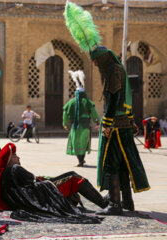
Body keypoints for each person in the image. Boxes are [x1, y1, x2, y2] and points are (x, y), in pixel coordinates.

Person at [64, 2, 150, 216]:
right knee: (122, 164)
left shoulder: (112, 72)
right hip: (124, 125)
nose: (94, 66)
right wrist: (130, 120)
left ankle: (115, 204)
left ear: (101, 60)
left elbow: (112, 100)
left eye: (95, 62)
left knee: (111, 164)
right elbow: (124, 98)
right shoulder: (118, 69)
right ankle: (126, 202)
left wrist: (107, 125)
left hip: (115, 127)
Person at [0, 143, 103, 224]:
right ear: (8, 159)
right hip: (44, 194)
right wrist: (47, 182)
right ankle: (104, 203)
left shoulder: (5, 174)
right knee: (74, 178)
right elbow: (35, 182)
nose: (18, 157)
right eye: (15, 156)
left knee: (68, 177)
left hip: (39, 194)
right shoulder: (15, 168)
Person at [63, 70, 99, 167]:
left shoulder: (71, 102)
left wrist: (65, 124)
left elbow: (65, 113)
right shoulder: (87, 102)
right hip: (85, 126)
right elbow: (94, 113)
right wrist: (97, 122)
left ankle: (80, 161)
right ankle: (82, 160)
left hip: (75, 127)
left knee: (76, 143)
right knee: (83, 143)